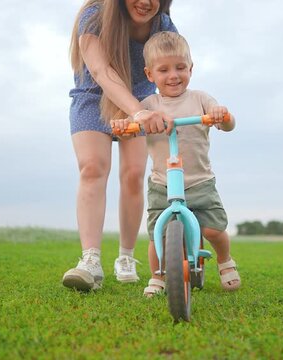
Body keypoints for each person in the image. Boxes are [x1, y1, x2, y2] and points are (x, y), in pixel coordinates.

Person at [112, 31, 241, 296]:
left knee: (213, 229)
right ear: (150, 75)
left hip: (199, 181)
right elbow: (129, 128)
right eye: (164, 70)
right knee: (157, 232)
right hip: (163, 183)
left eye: (180, 67)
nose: (173, 75)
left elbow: (227, 124)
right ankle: (158, 276)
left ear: (191, 69)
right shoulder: (149, 105)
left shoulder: (201, 99)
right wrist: (124, 125)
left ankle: (225, 260)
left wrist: (221, 114)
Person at [63, 0, 177, 291]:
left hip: (140, 98)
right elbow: (101, 72)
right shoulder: (94, 17)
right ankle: (90, 260)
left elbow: (173, 68)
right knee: (92, 168)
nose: (146, 2)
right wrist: (136, 112)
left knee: (133, 174)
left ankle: (126, 257)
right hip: (93, 94)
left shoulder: (161, 25)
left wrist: (177, 107)